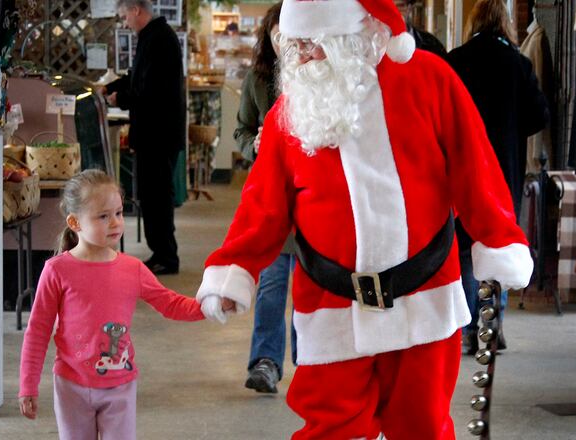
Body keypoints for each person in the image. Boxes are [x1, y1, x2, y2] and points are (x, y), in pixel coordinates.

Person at [197, 0, 533, 437]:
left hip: (424, 299)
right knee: (330, 429)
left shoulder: (429, 79)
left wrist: (499, 238)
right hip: (331, 306)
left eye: (312, 44)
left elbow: (476, 167)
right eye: (292, 44)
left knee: (423, 425)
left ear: (351, 37)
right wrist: (234, 268)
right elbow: (262, 205)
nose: (299, 57)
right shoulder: (290, 114)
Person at [18, 170, 213, 440]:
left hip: (120, 384)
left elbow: (170, 303)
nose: (115, 223)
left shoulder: (132, 269)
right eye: (103, 216)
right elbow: (38, 330)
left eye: (119, 213)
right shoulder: (57, 270)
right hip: (71, 385)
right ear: (75, 222)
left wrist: (210, 307)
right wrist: (28, 385)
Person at [447, 0, 549, 354]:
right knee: (498, 243)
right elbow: (540, 115)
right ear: (505, 23)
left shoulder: (455, 61)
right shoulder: (518, 65)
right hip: (504, 170)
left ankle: (465, 327)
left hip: (461, 170)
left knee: (462, 248)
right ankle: (492, 325)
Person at [233, 2, 296, 394]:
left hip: (313, 198)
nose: (283, 42)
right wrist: (254, 146)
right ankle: (266, 361)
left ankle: (311, 362)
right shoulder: (257, 80)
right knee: (272, 284)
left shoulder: (319, 75)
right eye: (276, 35)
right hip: (271, 196)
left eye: (288, 33)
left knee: (310, 285)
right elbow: (240, 130)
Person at [107, 0, 186, 275]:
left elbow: (150, 89)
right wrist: (112, 87)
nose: (124, 22)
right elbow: (138, 78)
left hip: (158, 134)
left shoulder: (158, 39)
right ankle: (160, 252)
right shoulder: (153, 37)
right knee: (153, 196)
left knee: (157, 197)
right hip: (155, 133)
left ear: (136, 10)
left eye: (124, 16)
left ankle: (166, 255)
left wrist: (122, 98)